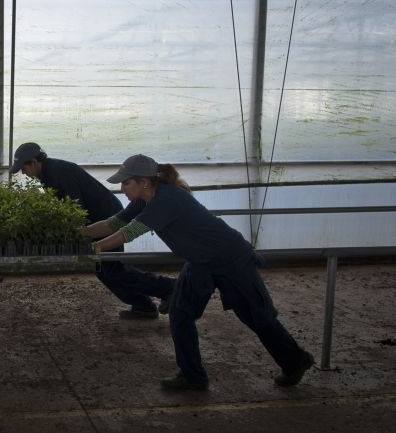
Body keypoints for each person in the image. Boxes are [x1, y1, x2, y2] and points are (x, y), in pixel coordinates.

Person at [85, 153, 315, 391]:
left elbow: (127, 234)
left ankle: (296, 360)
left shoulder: (167, 200)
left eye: (125, 183)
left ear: (144, 182)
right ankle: (192, 376)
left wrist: (90, 250)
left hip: (231, 260)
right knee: (180, 313)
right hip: (200, 263)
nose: (122, 188)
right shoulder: (144, 199)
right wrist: (79, 234)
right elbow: (113, 224)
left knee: (257, 317)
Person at [10, 142, 175, 319]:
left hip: (105, 216)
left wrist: (78, 238)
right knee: (105, 269)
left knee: (111, 269)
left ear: (34, 162)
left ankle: (166, 289)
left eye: (23, 168)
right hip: (103, 218)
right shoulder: (49, 172)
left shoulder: (57, 173)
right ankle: (144, 303)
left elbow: (75, 209)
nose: (23, 173)